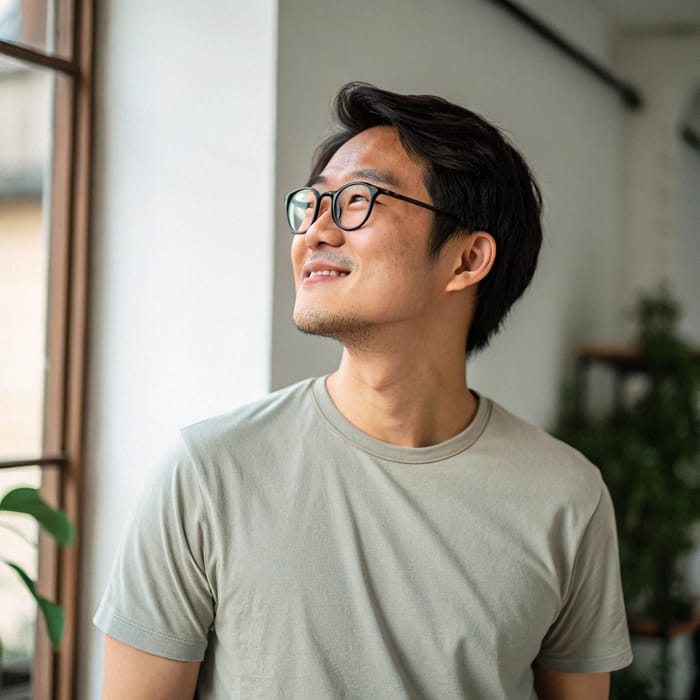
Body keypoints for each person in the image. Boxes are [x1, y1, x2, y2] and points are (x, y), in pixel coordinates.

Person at [95, 82, 632, 699]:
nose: (314, 234)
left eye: (356, 201)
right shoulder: (209, 472)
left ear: (467, 259)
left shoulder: (567, 496)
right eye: (312, 206)